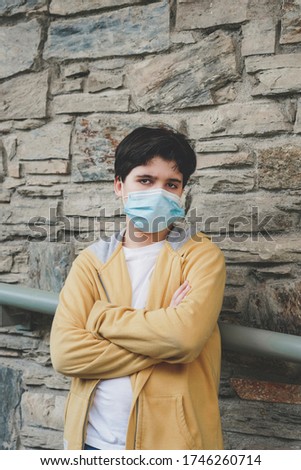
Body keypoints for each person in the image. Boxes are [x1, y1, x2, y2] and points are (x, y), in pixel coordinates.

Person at [50, 125, 226, 450]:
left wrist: (101, 319)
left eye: (171, 184)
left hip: (171, 446)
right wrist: (161, 336)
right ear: (119, 186)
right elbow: (65, 354)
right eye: (145, 180)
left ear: (182, 192)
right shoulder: (91, 262)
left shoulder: (201, 256)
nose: (159, 192)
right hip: (91, 443)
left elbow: (183, 339)